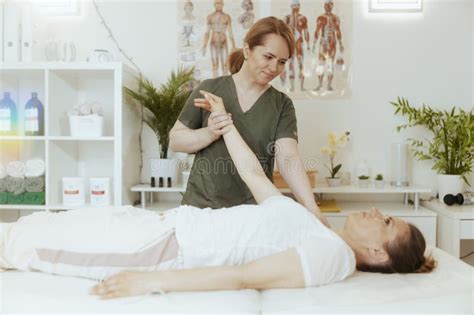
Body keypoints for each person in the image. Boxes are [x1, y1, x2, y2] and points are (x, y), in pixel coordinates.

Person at [0, 91, 436, 300]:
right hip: (164, 227)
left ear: (378, 253)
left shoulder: (332, 259)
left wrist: (152, 281)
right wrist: (224, 122)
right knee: (45, 223)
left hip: (160, 250)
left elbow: (245, 276)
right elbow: (253, 173)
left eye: (388, 222)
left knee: (25, 243)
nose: (378, 212)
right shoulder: (318, 229)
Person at [171, 16, 329, 226]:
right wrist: (209, 132)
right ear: (247, 50)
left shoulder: (282, 105)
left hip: (254, 215)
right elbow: (175, 141)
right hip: (202, 209)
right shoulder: (209, 90)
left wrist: (312, 209)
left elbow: (288, 158)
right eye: (268, 57)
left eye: (282, 62)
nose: (274, 68)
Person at [312, 0, 344, 91]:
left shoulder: (335, 18)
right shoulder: (321, 18)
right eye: (325, 5)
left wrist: (341, 43)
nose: (327, 7)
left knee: (330, 64)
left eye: (329, 5)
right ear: (324, 6)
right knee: (321, 63)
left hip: (332, 43)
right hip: (323, 43)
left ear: (332, 6)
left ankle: (329, 85)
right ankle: (320, 84)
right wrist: (314, 43)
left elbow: (338, 31)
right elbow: (317, 31)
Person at [279, 0, 310, 91]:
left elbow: (306, 31)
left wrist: (308, 44)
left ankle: (301, 87)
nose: (296, 8)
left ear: (299, 7)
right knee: (291, 64)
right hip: (290, 43)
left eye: (297, 6)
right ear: (291, 7)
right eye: (294, 6)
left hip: (299, 42)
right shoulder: (287, 18)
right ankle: (292, 87)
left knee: (301, 64)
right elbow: (282, 33)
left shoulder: (303, 18)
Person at [202, 0, 236, 77]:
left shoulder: (227, 17)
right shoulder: (210, 17)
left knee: (225, 65)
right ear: (214, 4)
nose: (218, 5)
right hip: (213, 42)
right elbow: (207, 32)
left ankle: (224, 85)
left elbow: (230, 32)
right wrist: (204, 45)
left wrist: (234, 45)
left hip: (223, 42)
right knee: (214, 65)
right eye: (217, 3)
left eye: (220, 3)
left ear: (223, 4)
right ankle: (215, 85)